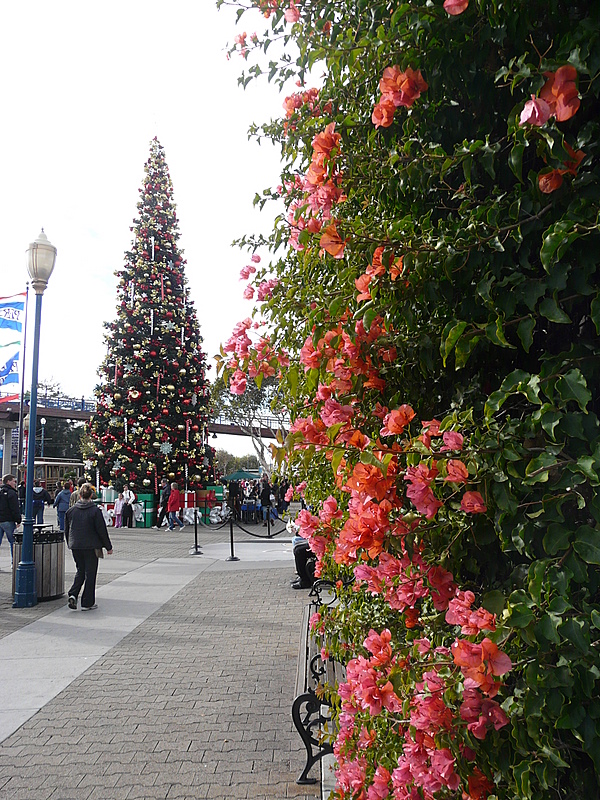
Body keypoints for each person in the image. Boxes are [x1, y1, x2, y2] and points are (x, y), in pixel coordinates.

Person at [65, 482, 113, 611]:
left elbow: (67, 530)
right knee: (90, 574)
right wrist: (108, 546)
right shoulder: (95, 511)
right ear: (91, 496)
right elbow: (101, 530)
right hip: (91, 546)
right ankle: (87, 602)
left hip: (75, 545)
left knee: (80, 570)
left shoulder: (71, 511)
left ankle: (73, 594)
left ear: (79, 496)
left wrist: (69, 543)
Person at [0, 474, 21, 563]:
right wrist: (18, 520)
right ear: (8, 482)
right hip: (8, 520)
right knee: (13, 542)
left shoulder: (0, 491)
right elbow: (14, 508)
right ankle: (14, 562)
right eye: (13, 481)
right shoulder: (11, 493)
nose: (15, 483)